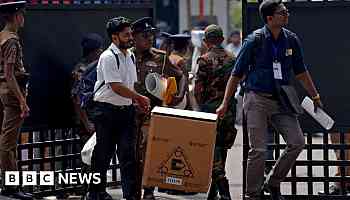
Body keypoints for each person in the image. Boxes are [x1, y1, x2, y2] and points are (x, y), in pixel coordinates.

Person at [216, 0, 323, 199]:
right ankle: (252, 194)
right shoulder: (254, 40)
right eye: (283, 12)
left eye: (286, 11)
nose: (287, 14)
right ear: (270, 18)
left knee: (297, 142)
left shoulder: (291, 40)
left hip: (282, 99)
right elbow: (236, 74)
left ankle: (272, 182)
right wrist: (224, 103)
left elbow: (301, 72)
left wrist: (315, 95)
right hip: (256, 99)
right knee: (258, 149)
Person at [86, 16, 150, 200]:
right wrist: (138, 97)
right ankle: (96, 193)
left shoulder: (129, 55)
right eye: (126, 35)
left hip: (125, 112)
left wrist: (136, 101)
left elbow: (129, 85)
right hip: (106, 112)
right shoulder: (108, 57)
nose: (131, 38)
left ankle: (130, 195)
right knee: (103, 155)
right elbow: (115, 86)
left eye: (131, 34)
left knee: (127, 155)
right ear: (115, 37)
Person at [131, 17, 187, 200]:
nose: (149, 39)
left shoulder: (160, 57)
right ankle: (132, 190)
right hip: (128, 115)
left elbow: (181, 75)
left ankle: (148, 191)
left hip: (151, 115)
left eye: (151, 35)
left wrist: (178, 96)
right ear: (134, 37)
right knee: (130, 154)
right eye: (145, 35)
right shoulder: (125, 56)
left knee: (149, 154)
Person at [194, 24, 236, 200]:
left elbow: (198, 90)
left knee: (212, 150)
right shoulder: (233, 59)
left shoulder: (203, 60)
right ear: (222, 40)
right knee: (222, 149)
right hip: (228, 109)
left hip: (210, 110)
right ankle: (214, 192)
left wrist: (202, 106)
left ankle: (223, 190)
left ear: (205, 41)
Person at [0, 1, 32, 199]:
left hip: (3, 91)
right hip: (11, 93)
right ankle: (11, 186)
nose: (23, 18)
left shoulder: (2, 36)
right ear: (15, 16)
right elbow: (10, 74)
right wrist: (22, 100)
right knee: (8, 144)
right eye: (21, 14)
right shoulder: (11, 40)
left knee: (5, 139)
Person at [71, 33, 103, 144]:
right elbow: (77, 99)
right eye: (99, 50)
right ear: (94, 52)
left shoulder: (96, 67)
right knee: (89, 156)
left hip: (97, 120)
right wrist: (87, 123)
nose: (101, 52)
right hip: (89, 124)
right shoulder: (82, 70)